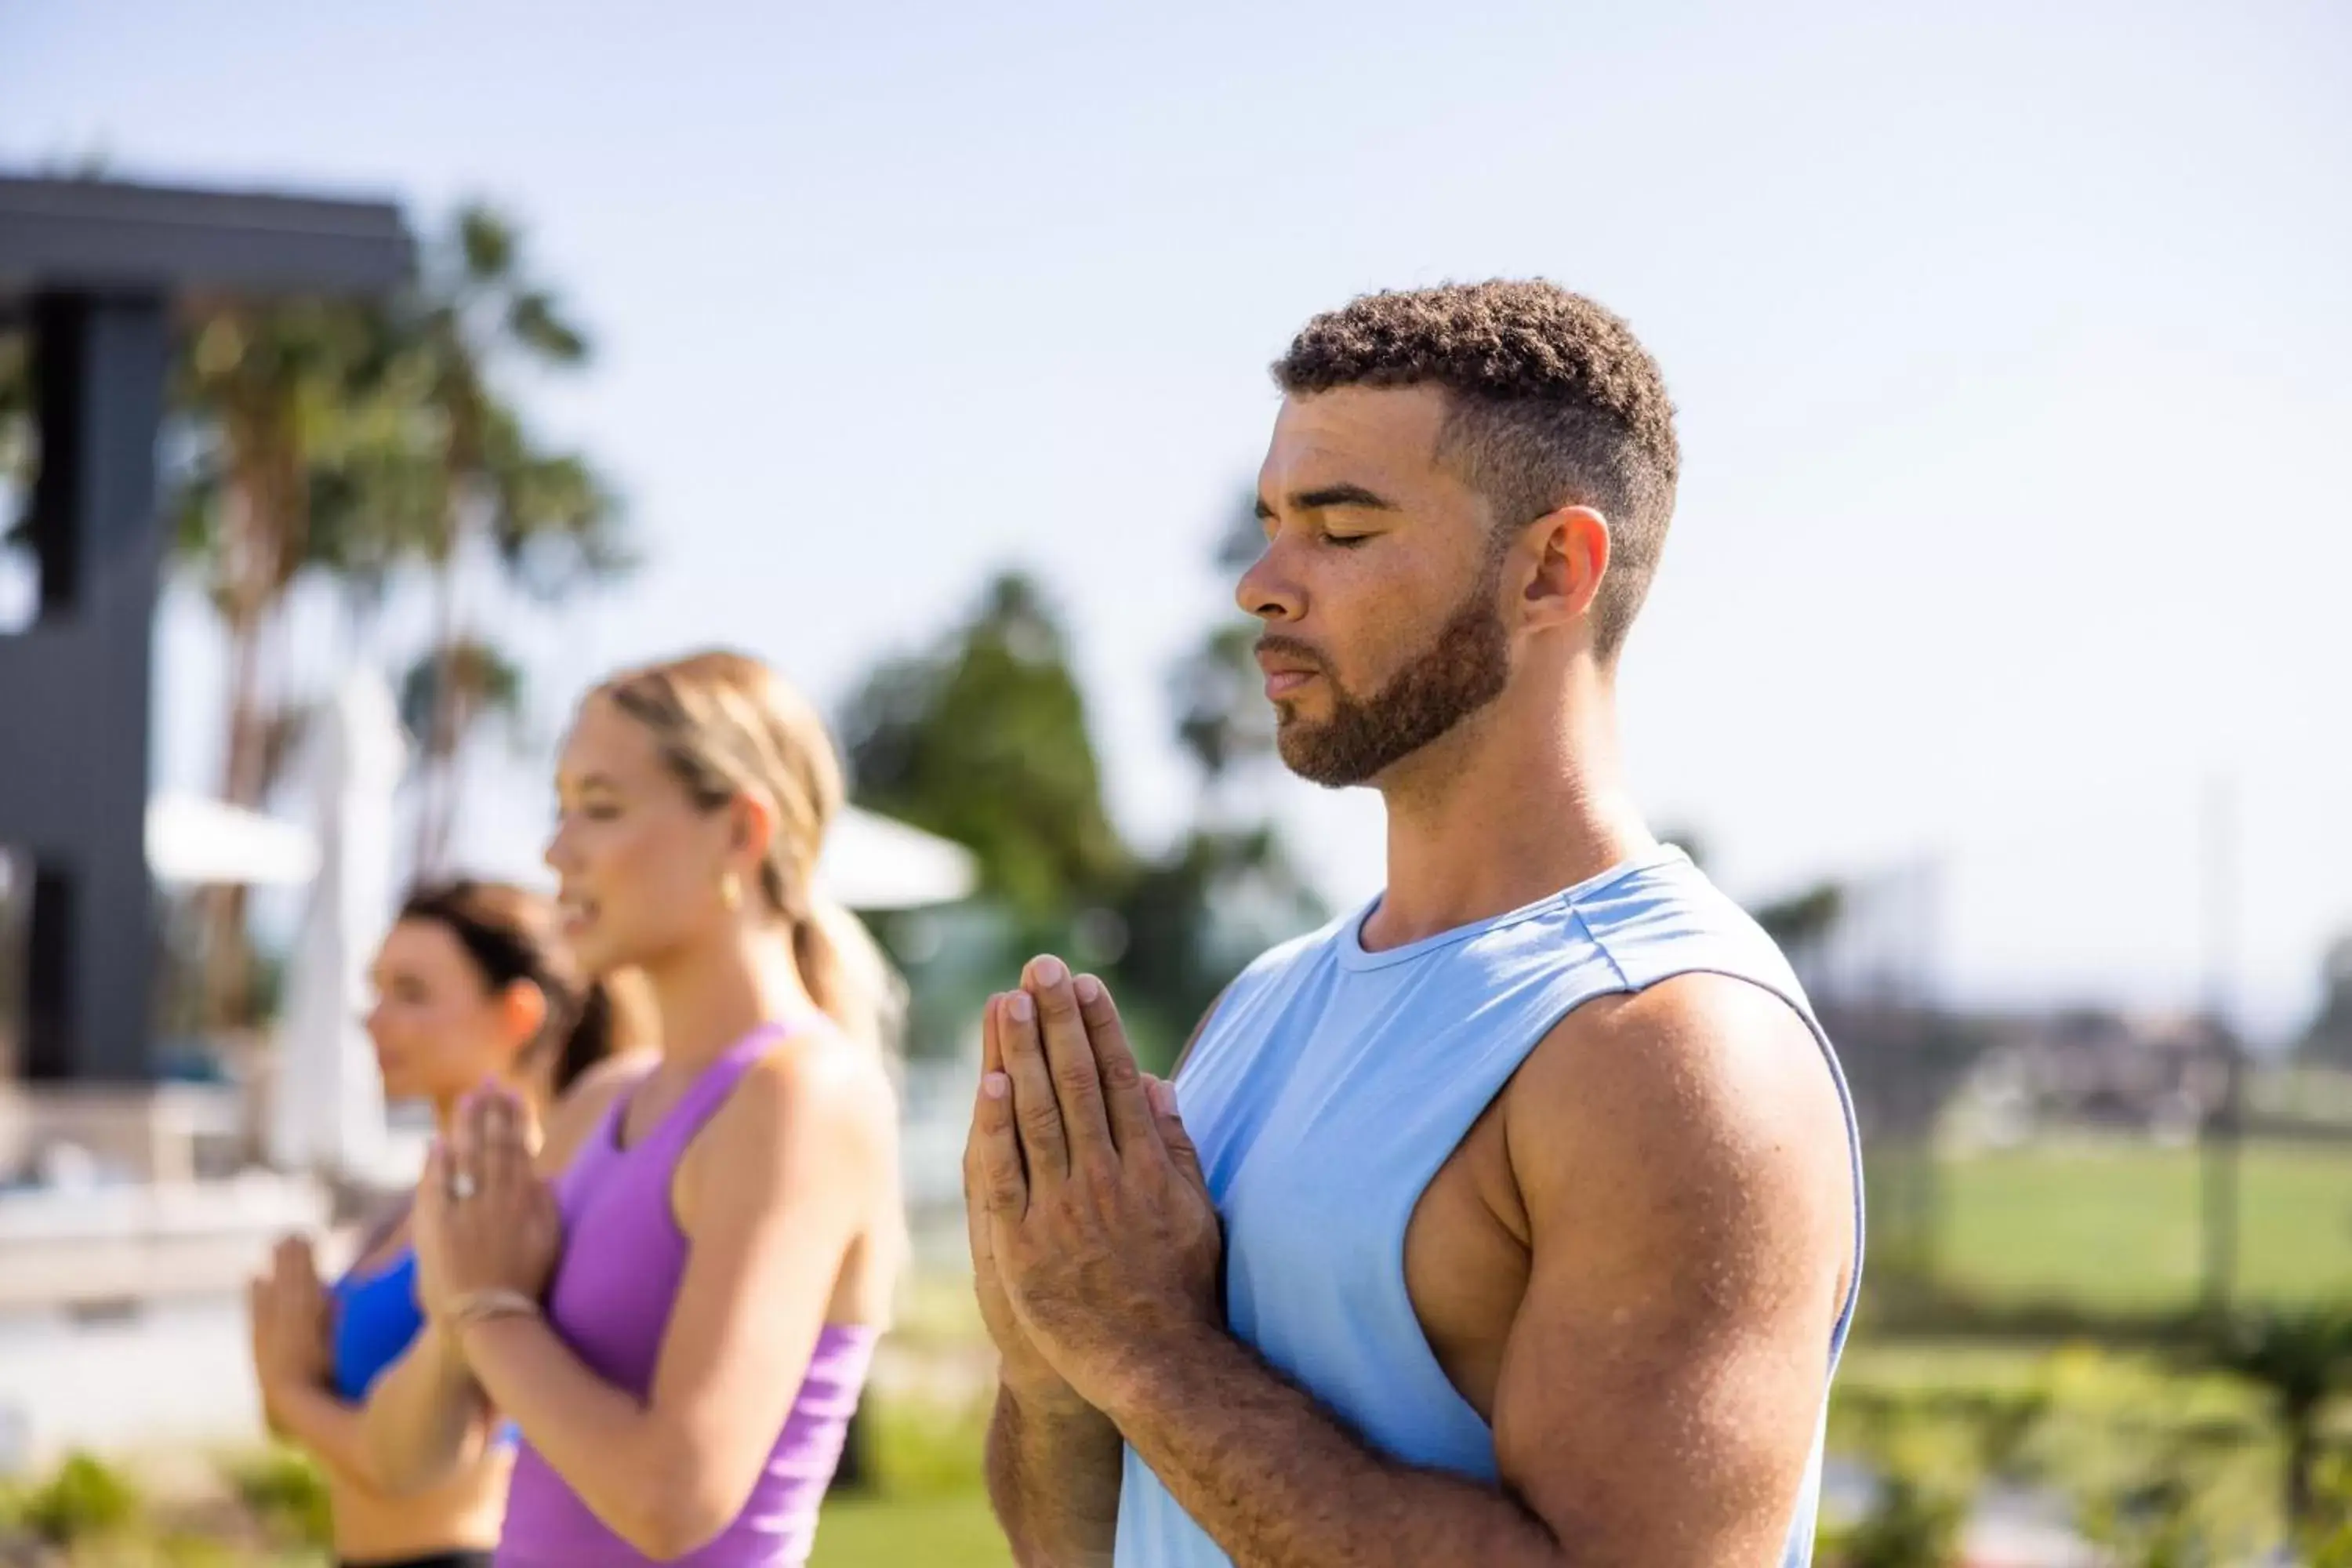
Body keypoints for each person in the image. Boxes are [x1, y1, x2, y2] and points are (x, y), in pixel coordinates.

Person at [967, 280, 1866, 1568]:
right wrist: (1052, 1355)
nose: (1262, 586)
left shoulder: (1666, 1047)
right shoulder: (1265, 1001)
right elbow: (1083, 1549)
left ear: (1553, 569)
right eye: (1270, 524)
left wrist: (1148, 1352)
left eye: (1340, 532)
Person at [364, 650, 905, 1568]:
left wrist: (491, 1310)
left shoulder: (800, 1095)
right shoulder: (602, 1102)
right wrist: (458, 1303)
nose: (554, 850)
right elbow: (405, 1459)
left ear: (738, 832)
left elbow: (675, 1496)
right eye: (560, 804)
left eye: (600, 808)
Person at [248, 878, 643, 1568]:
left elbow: (424, 1458)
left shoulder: (521, 1205)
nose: (374, 1021)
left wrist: (289, 1391)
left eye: (412, 994)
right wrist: (290, 1387)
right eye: (377, 992)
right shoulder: (413, 1204)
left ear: (518, 1014)